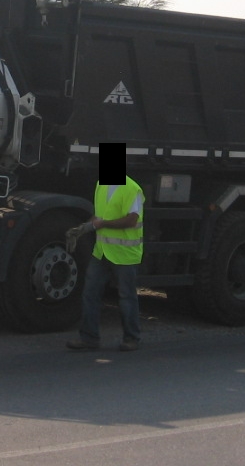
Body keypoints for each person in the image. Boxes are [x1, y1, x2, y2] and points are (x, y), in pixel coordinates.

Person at [67, 144, 145, 352]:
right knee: (90, 294)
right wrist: (83, 228)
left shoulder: (132, 188)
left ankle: (132, 338)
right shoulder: (101, 184)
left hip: (124, 254)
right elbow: (99, 216)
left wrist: (103, 225)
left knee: (127, 297)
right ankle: (89, 338)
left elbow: (131, 220)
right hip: (102, 251)